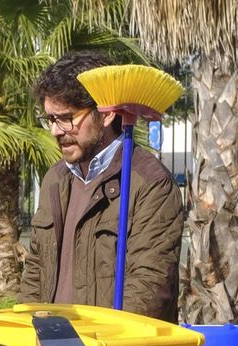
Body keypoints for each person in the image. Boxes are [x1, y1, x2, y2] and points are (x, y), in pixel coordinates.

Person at [19, 51, 185, 321]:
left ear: (106, 115)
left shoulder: (150, 184)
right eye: (50, 119)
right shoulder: (55, 180)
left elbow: (149, 287)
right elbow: (36, 271)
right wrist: (26, 333)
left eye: (66, 118)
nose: (56, 131)